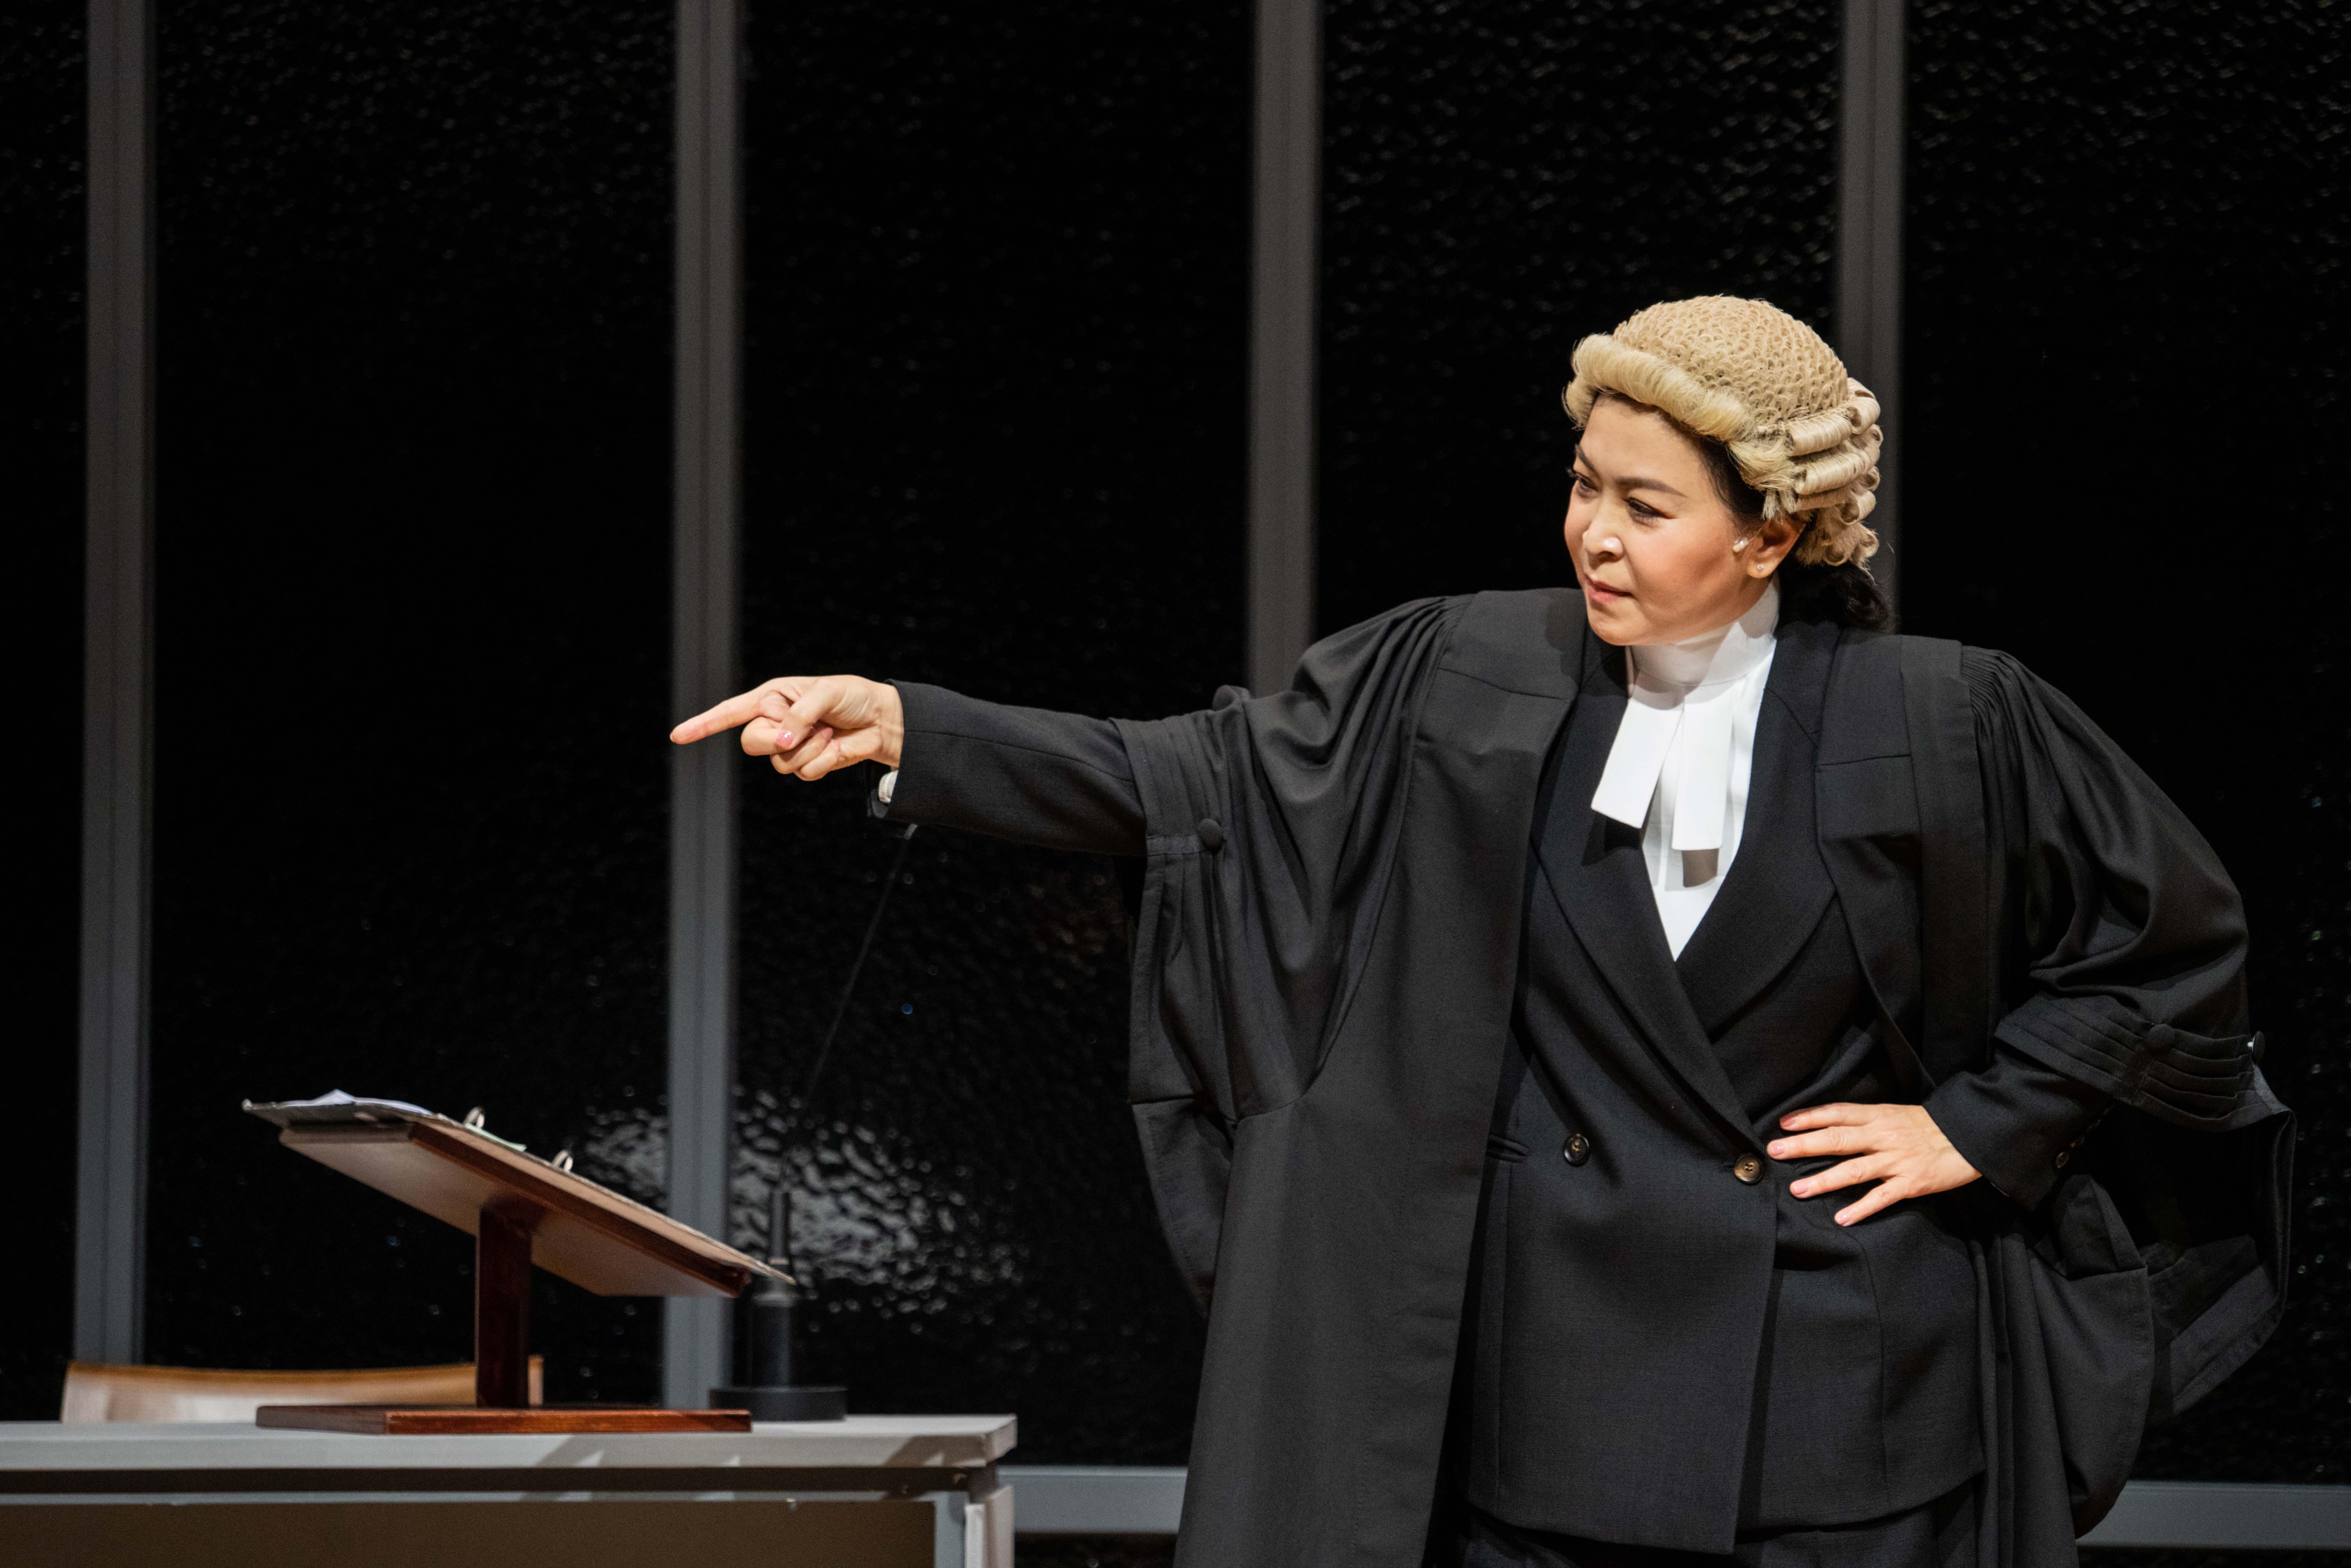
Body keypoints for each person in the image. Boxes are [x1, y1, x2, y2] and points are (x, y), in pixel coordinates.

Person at [672, 297, 2290, 1568]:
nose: (1594, 533)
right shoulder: (1464, 675)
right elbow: (1198, 778)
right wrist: (917, 729)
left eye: (1645, 504)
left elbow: (2170, 944)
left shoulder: (1945, 717)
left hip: (1842, 1404)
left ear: (1770, 533)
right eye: (1583, 485)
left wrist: (1978, 1125)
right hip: (1544, 1399)